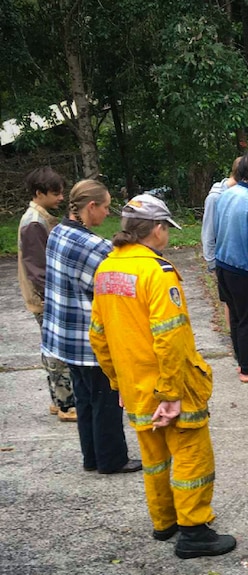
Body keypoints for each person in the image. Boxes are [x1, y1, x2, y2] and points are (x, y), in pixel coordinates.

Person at [90, 194, 236, 559]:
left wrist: (117, 382)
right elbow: (169, 335)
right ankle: (193, 531)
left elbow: (98, 334)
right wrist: (171, 393)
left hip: (135, 387)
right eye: (166, 230)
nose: (167, 237)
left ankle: (164, 521)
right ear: (156, 229)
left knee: (154, 459)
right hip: (170, 387)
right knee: (191, 457)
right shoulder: (157, 272)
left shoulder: (106, 270)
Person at [42, 179, 141, 474]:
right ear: (91, 207)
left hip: (63, 337)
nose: (107, 214)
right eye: (106, 207)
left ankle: (92, 457)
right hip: (90, 340)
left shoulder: (57, 232)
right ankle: (112, 459)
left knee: (85, 400)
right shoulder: (93, 246)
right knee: (106, 401)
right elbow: (113, 286)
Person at [201, 158, 248, 361]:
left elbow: (216, 231)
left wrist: (212, 262)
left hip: (223, 266)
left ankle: (241, 360)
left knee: (235, 318)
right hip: (244, 271)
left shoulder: (224, 196)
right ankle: (247, 369)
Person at [18, 167, 77, 422]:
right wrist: (53, 298)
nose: (60, 198)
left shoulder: (38, 217)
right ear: (39, 193)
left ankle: (57, 400)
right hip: (44, 298)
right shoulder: (34, 222)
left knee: (50, 347)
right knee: (57, 350)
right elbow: (37, 269)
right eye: (55, 193)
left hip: (43, 297)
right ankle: (66, 404)